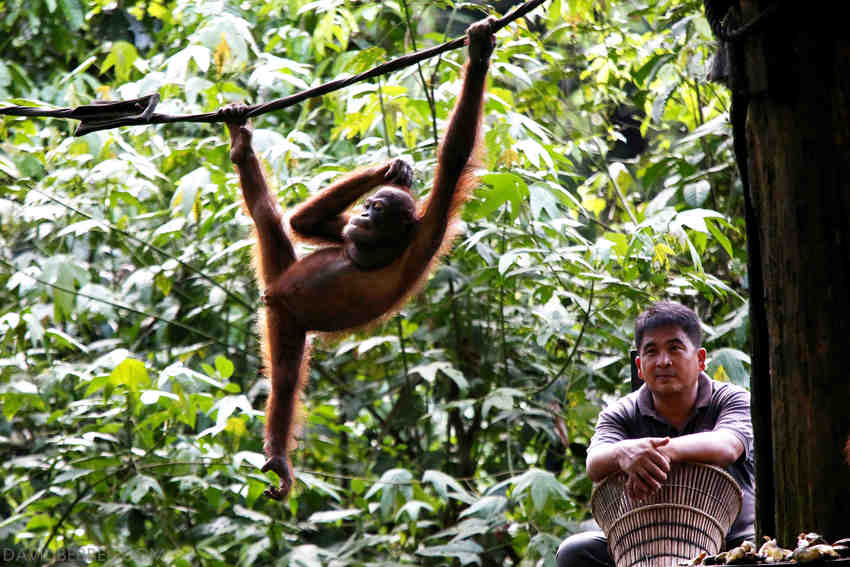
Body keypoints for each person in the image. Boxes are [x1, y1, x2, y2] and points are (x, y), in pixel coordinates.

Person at [556, 301, 754, 567]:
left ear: (700, 359)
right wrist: (623, 452)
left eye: (675, 348)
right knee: (574, 552)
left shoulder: (732, 399)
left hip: (732, 542)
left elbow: (726, 447)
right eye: (652, 351)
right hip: (643, 543)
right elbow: (594, 463)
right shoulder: (621, 412)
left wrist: (653, 452)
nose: (663, 361)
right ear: (640, 366)